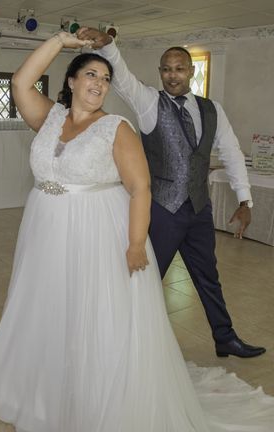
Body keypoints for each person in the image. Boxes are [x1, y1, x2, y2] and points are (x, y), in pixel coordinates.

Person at [0, 32, 274, 431]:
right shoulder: (50, 117)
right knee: (47, 304)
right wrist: (61, 41)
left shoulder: (118, 126)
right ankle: (45, 384)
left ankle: (99, 387)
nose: (100, 83)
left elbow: (141, 187)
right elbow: (19, 82)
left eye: (106, 79)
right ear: (72, 81)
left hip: (96, 229)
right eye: (91, 74)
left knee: (96, 310)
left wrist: (135, 244)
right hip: (45, 230)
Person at [78, 26, 264, 359]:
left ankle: (225, 338)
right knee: (144, 280)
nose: (172, 75)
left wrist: (245, 199)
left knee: (209, 277)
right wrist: (109, 47)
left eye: (179, 69)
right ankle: (120, 342)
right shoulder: (150, 103)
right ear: (160, 72)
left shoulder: (212, 110)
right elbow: (123, 80)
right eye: (166, 69)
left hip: (199, 210)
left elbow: (232, 152)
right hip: (161, 212)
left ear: (192, 71)